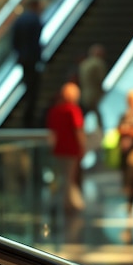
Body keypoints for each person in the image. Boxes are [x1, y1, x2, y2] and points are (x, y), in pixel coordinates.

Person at [46, 82, 86, 213]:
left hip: (58, 150)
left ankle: (59, 202)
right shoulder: (73, 110)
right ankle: (67, 203)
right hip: (71, 149)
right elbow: (78, 130)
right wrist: (83, 147)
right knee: (69, 177)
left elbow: (52, 133)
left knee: (60, 177)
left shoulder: (54, 111)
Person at [11, 0, 44, 127]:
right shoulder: (35, 20)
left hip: (23, 59)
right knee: (33, 90)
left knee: (27, 86)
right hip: (33, 60)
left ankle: (26, 119)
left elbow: (14, 41)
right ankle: (29, 120)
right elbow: (36, 43)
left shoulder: (20, 20)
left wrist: (19, 54)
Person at [78, 43, 108, 129]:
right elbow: (101, 79)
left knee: (84, 114)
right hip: (95, 94)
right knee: (98, 116)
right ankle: (101, 132)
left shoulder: (84, 64)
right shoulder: (98, 63)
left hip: (84, 93)